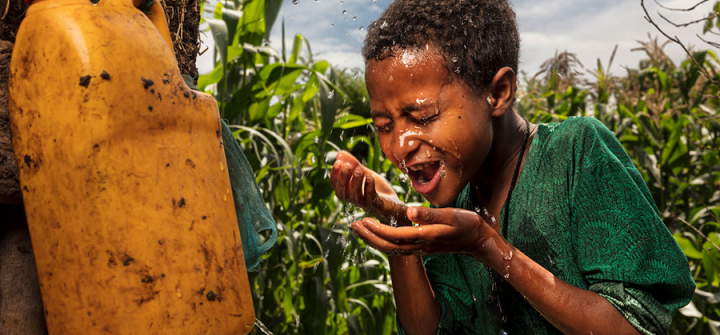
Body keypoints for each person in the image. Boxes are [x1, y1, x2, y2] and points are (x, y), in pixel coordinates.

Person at [329, 1, 695, 334]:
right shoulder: (454, 205)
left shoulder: (574, 154)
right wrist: (398, 228)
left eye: (423, 116)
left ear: (498, 92)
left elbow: (634, 327)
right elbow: (432, 329)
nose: (399, 146)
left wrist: (488, 246)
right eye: (383, 125)